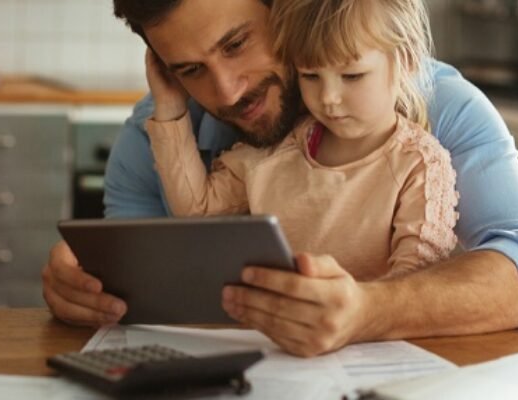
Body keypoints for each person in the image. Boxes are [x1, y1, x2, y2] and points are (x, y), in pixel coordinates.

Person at [42, 0, 518, 357]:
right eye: (189, 69)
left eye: (236, 44)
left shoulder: (433, 105)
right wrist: (84, 288)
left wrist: (370, 310)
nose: (227, 92)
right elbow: (132, 294)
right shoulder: (154, 132)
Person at [143, 0, 458, 282]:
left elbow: (414, 280)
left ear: (405, 60)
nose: (329, 98)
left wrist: (350, 314)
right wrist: (170, 107)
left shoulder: (418, 164)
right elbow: (198, 211)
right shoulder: (276, 151)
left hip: (371, 342)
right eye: (311, 76)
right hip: (276, 335)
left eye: (352, 76)